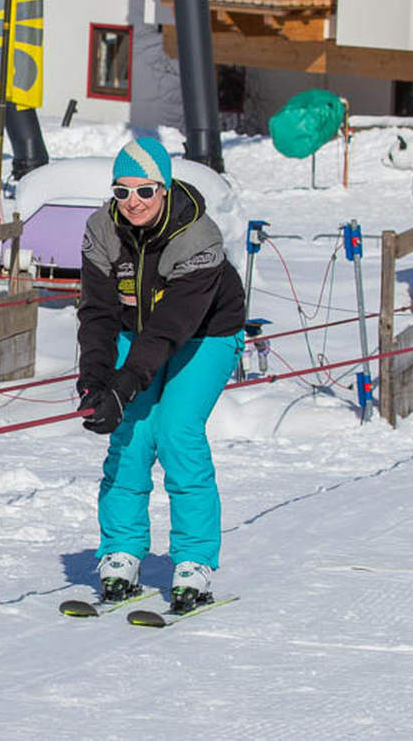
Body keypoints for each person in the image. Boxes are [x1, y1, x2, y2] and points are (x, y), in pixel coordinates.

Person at [76, 137, 245, 612]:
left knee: (176, 431)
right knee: (130, 434)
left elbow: (172, 328)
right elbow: (97, 313)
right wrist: (95, 380)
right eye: (122, 191)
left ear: (165, 189)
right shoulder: (102, 230)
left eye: (145, 191)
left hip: (205, 335)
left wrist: (125, 384)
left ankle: (193, 561)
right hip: (137, 330)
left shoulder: (198, 237)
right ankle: (121, 552)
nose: (133, 203)